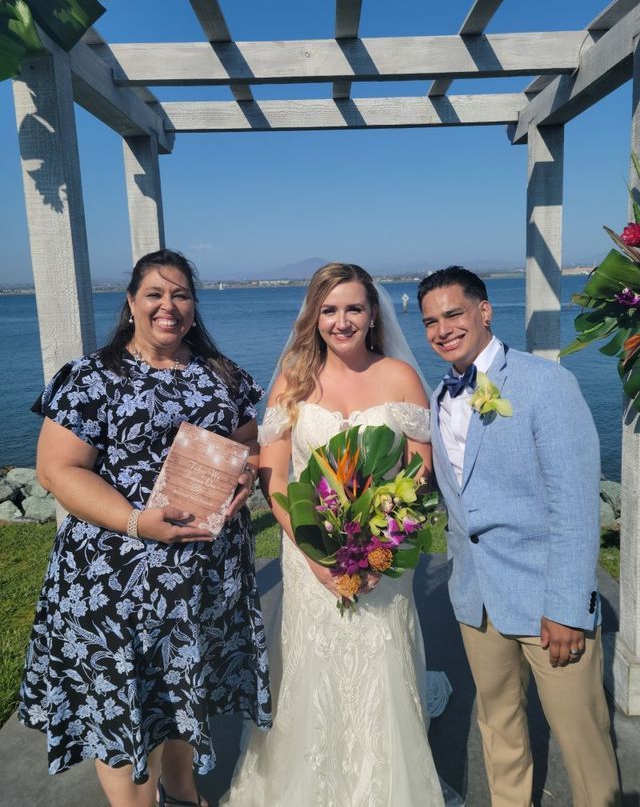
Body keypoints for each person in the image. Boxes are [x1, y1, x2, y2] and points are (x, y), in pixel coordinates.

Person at [18, 249, 271, 807]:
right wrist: (137, 523)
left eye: (181, 295)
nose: (168, 306)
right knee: (125, 708)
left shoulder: (221, 374)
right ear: (131, 303)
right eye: (155, 294)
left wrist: (244, 476)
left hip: (204, 580)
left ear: (194, 307)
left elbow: (248, 441)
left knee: (184, 693)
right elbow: (57, 469)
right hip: (116, 582)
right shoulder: (91, 377)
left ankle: (182, 793)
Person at [222, 262, 449, 807]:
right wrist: (315, 555)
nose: (341, 321)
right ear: (314, 316)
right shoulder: (293, 380)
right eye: (329, 310)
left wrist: (381, 543)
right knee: (313, 668)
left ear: (372, 315)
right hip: (309, 554)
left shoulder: (400, 376)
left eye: (353, 308)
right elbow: (276, 477)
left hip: (383, 552)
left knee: (381, 660)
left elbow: (421, 470)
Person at [418, 266, 620, 806]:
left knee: (582, 738)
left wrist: (567, 608)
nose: (443, 330)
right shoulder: (438, 396)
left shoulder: (545, 383)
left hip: (546, 602)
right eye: (431, 322)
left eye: (454, 314)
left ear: (484, 311)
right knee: (499, 727)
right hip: (475, 601)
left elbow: (574, 504)